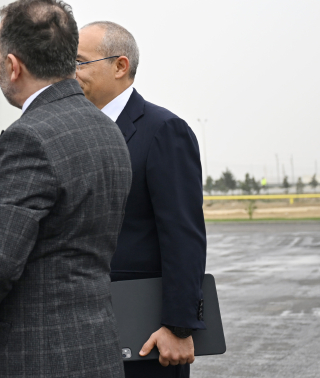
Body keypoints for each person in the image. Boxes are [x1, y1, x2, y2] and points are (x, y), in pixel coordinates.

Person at [0, 0, 132, 378]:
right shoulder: (108, 130)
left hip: (41, 358)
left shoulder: (29, 138)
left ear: (13, 66)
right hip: (99, 350)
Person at [77, 21, 207, 378]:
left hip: (146, 334)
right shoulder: (75, 132)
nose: (70, 72)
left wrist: (179, 326)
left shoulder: (163, 130)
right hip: (82, 332)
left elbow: (183, 234)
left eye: (80, 62)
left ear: (120, 66)